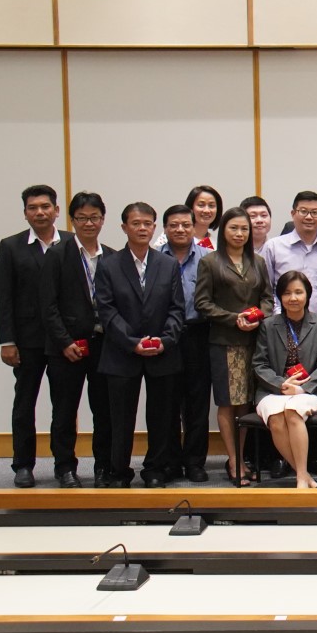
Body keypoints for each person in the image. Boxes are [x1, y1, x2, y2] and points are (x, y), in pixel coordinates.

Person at [95, 202, 185, 488]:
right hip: (122, 352)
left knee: (161, 416)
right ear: (124, 227)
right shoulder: (109, 265)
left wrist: (165, 340)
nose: (142, 228)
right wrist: (132, 343)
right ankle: (119, 471)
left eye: (148, 223)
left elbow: (177, 308)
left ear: (155, 227)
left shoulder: (167, 264)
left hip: (161, 351)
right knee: (120, 417)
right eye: (136, 223)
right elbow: (106, 310)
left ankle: (155, 468)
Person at [40, 191, 115, 488]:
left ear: (103, 219)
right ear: (72, 220)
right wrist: (64, 342)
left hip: (103, 346)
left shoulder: (111, 256)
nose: (88, 223)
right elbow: (47, 305)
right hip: (66, 347)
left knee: (104, 411)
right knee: (64, 410)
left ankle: (103, 467)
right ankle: (65, 467)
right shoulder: (57, 255)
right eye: (82, 218)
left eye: (94, 217)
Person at [0, 185, 68, 488]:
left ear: (56, 210)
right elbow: (4, 297)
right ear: (25, 213)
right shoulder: (10, 247)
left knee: (63, 405)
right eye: (33, 208)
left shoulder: (70, 243)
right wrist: (7, 341)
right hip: (27, 341)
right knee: (24, 404)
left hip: (63, 340)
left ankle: (64, 466)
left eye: (45, 206)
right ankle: (23, 465)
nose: (40, 212)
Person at [195, 207, 272, 485]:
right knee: (229, 403)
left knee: (247, 403)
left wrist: (258, 316)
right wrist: (233, 318)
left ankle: (241, 456)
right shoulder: (210, 262)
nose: (239, 234)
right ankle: (234, 460)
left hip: (255, 341)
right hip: (224, 342)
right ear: (223, 231)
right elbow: (202, 303)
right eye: (234, 228)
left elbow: (268, 297)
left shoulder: (258, 261)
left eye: (244, 229)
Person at [254, 270, 317, 489]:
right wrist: (281, 384)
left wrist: (302, 389)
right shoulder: (268, 325)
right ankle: (304, 475)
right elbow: (259, 364)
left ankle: (301, 476)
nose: (293, 298)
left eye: (298, 292)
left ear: (307, 295)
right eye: (287, 293)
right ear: (280, 297)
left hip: (312, 390)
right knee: (275, 416)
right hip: (274, 389)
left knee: (293, 411)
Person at [157, 204, 212, 482]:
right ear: (165, 228)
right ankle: (169, 461)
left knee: (197, 403)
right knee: (166, 401)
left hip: (198, 333)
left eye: (185, 225)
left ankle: (194, 462)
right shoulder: (155, 258)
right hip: (165, 336)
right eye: (174, 225)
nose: (180, 230)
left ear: (194, 227)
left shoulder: (208, 258)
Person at [259, 191, 317, 316]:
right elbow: (266, 290)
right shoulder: (273, 247)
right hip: (280, 321)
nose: (309, 217)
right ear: (293, 214)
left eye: (315, 212)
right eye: (303, 211)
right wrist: (278, 317)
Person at [185, 185, 222, 249]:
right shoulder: (177, 239)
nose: (207, 210)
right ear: (190, 207)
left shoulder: (217, 245)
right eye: (201, 205)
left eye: (211, 206)